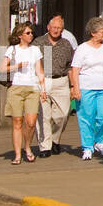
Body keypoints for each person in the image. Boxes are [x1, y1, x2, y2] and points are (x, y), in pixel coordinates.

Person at [69, 17, 103, 161]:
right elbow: (75, 70)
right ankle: (87, 147)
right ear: (93, 33)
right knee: (86, 118)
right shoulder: (82, 49)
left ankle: (100, 142)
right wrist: (75, 88)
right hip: (86, 87)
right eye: (102, 32)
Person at [1, 23, 45, 164]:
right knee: (17, 122)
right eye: (28, 33)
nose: (31, 35)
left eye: (31, 33)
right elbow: (3, 69)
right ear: (20, 35)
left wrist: (43, 89)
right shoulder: (12, 50)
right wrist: (17, 66)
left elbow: (39, 71)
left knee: (31, 122)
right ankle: (18, 154)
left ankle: (28, 147)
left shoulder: (35, 50)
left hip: (32, 88)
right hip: (16, 88)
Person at [36, 13, 76, 157]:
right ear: (48, 27)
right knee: (44, 116)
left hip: (61, 80)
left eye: (59, 28)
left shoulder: (66, 44)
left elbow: (71, 66)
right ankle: (45, 147)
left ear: (62, 30)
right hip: (43, 80)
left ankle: (55, 139)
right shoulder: (38, 43)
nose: (56, 30)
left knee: (62, 115)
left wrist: (73, 86)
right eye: (53, 27)